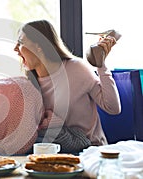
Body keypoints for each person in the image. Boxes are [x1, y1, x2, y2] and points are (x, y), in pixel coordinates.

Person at [14, 20, 121, 153]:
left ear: (39, 46)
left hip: (89, 150)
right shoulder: (29, 83)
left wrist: (101, 66)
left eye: (21, 43)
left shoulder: (77, 69)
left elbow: (113, 108)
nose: (15, 49)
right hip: (54, 152)